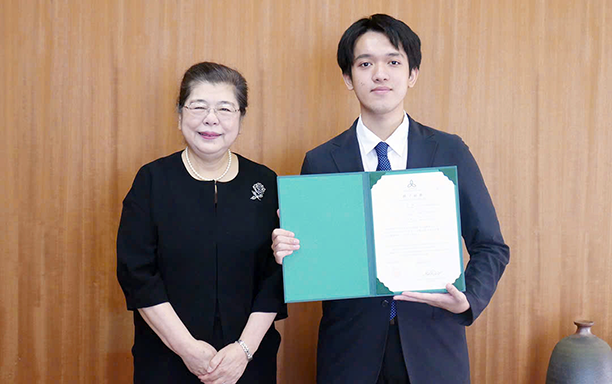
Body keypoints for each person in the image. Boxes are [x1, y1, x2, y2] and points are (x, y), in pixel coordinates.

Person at [272, 14, 510, 384]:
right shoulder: (321, 160)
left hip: (433, 348)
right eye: (365, 63)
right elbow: (315, 259)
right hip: (349, 352)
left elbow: (491, 246)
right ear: (348, 78)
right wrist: (289, 250)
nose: (379, 74)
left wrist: (469, 300)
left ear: (412, 73)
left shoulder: (449, 151)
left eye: (393, 62)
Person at [117, 62, 286, 384]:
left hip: (249, 360)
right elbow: (136, 272)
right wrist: (186, 348)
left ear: (240, 119)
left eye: (225, 108)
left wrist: (244, 351)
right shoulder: (152, 180)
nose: (211, 119)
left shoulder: (264, 182)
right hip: (166, 357)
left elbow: (277, 275)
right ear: (180, 115)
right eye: (198, 107)